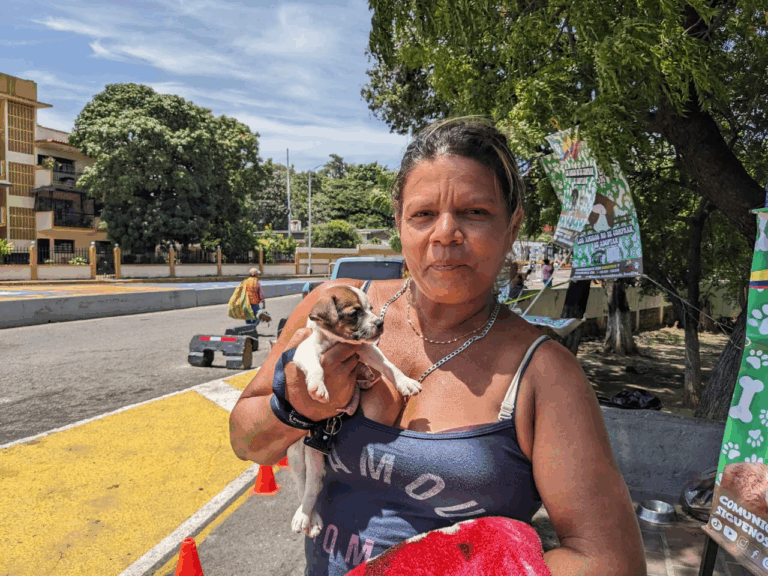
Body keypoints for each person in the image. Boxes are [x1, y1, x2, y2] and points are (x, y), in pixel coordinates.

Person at [229, 119, 645, 576]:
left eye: (475, 213)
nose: (445, 233)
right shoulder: (331, 309)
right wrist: (295, 406)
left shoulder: (545, 375)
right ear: (399, 222)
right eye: (423, 214)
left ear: (513, 225)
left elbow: (610, 562)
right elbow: (247, 444)